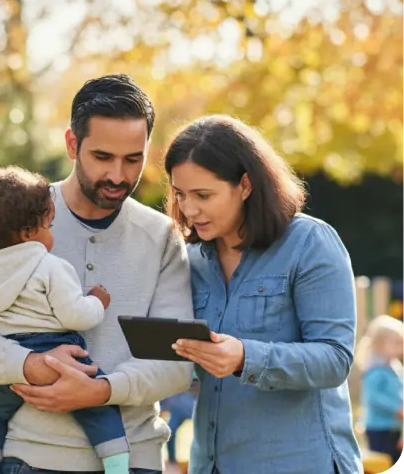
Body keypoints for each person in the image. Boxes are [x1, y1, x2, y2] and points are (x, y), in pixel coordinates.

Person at [0, 74, 194, 474]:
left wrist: (101, 391)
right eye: (103, 157)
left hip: (134, 460)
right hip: (29, 460)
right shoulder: (7, 215)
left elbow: (176, 362)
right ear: (72, 144)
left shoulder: (161, 238)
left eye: (133, 159)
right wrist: (27, 363)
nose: (119, 176)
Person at [163, 115, 363, 474]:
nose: (189, 210)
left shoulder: (310, 244)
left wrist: (244, 357)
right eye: (180, 194)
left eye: (203, 195)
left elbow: (335, 359)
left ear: (245, 185)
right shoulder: (190, 259)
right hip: (211, 464)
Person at [0, 166, 130, 474]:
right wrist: (96, 301)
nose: (52, 234)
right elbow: (76, 315)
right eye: (48, 226)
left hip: (3, 358)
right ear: (26, 234)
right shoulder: (49, 267)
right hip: (55, 351)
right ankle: (117, 466)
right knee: (97, 407)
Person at [356, 315, 404, 469]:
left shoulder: (395, 368)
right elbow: (375, 398)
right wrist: (396, 409)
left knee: (394, 461)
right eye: (397, 343)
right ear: (380, 345)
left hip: (394, 426)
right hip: (378, 427)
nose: (401, 347)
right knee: (381, 462)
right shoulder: (375, 371)